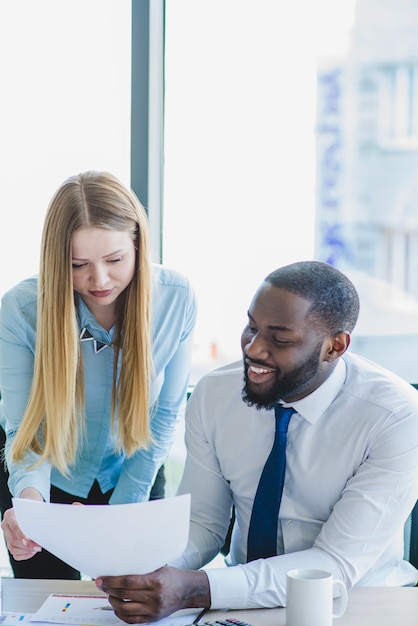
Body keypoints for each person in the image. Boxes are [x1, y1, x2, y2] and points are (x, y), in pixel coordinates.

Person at [95, 260, 418, 624]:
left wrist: (195, 588)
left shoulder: (396, 416)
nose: (254, 349)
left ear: (335, 346)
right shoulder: (215, 394)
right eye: (251, 327)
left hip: (359, 605)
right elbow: (202, 524)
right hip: (238, 607)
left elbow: (334, 566)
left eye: (279, 339)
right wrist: (145, 570)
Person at [0, 170, 197, 579]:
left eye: (115, 260)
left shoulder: (176, 298)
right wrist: (32, 509)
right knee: (48, 607)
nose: (100, 280)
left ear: (138, 245)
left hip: (135, 470)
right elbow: (25, 429)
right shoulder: (20, 310)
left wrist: (121, 513)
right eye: (78, 265)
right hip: (47, 474)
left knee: (137, 605)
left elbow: (164, 417)